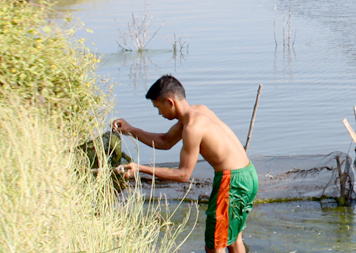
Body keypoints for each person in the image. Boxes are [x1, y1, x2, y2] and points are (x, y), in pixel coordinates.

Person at [111, 75, 258, 253]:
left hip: (231, 181)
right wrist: (131, 130)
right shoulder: (199, 111)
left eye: (158, 108)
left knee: (214, 245)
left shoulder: (192, 128)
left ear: (170, 102)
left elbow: (183, 175)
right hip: (248, 174)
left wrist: (140, 168)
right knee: (233, 239)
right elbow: (165, 141)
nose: (159, 113)